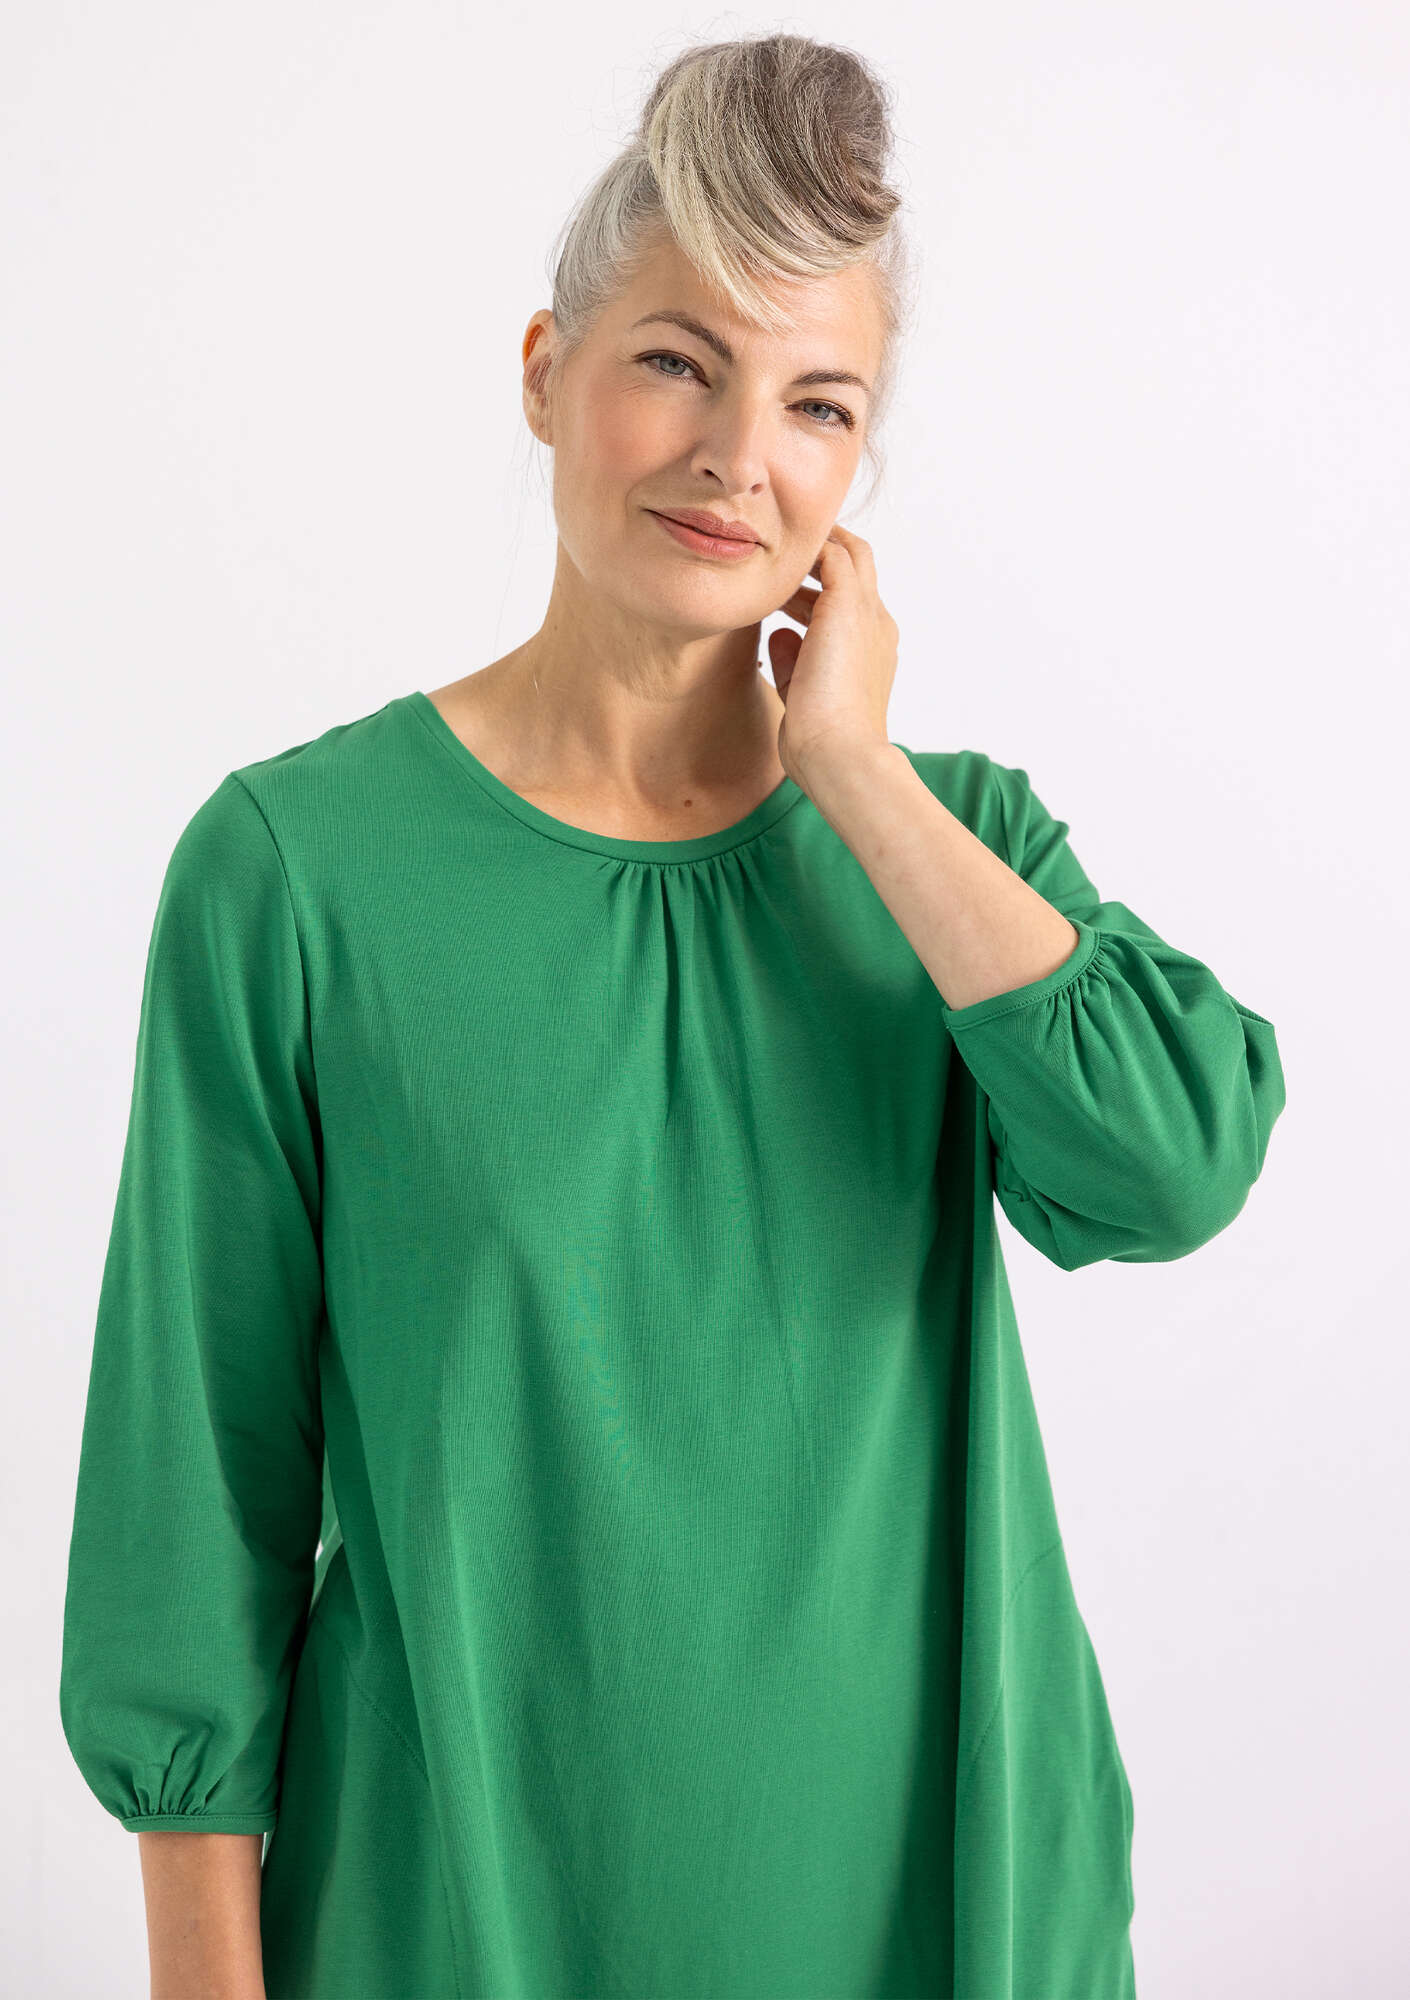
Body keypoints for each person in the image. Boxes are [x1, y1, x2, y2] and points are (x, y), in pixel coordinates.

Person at [58, 30, 1286, 2000]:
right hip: (455, 1928)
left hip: (942, 1923)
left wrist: (855, 773)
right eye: (674, 361)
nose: (738, 455)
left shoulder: (952, 852)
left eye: (818, 403)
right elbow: (191, 1496)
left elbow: (1171, 1167)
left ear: (855, 470)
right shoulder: (295, 874)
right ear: (544, 370)